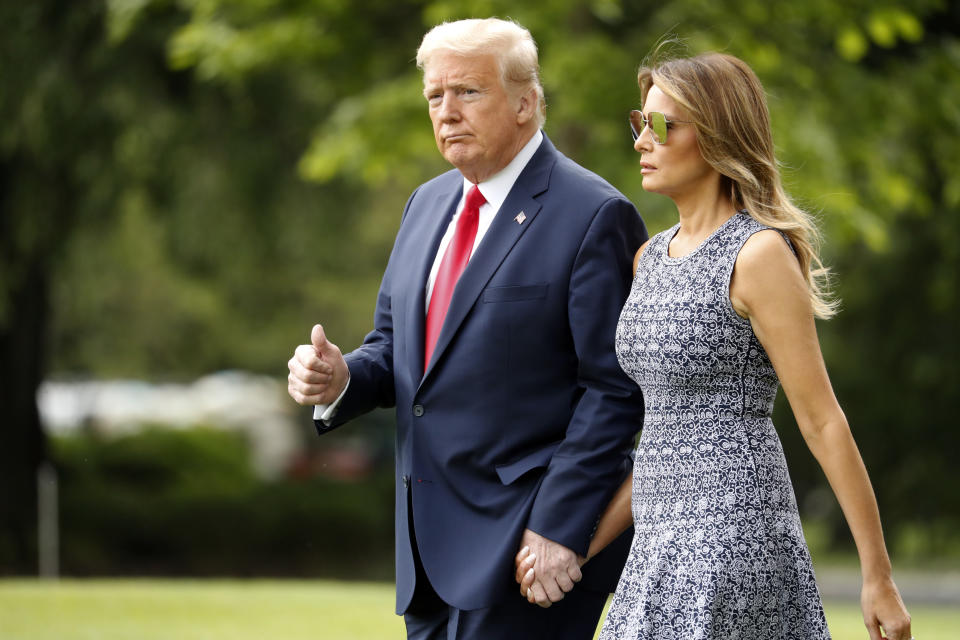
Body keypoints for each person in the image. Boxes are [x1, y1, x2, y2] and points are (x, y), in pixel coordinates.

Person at [516, 52, 913, 640]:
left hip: (733, 536)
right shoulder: (648, 258)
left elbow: (822, 420)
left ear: (718, 135)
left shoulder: (758, 255)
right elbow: (664, 437)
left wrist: (877, 575)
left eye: (661, 126)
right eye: (638, 123)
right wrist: (577, 544)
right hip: (658, 542)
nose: (641, 143)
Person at [286, 18, 648, 640]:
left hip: (529, 552)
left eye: (468, 93)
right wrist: (342, 376)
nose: (446, 112)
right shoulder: (425, 204)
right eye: (434, 96)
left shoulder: (595, 214)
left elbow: (615, 391)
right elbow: (398, 351)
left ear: (526, 102)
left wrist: (562, 529)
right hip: (425, 556)